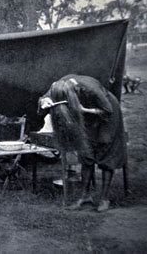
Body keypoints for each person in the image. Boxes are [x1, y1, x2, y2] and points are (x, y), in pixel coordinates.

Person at [38, 74, 127, 212]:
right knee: (86, 153)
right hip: (87, 116)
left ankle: (104, 198)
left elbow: (107, 110)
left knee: (106, 151)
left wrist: (83, 110)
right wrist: (44, 101)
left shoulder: (91, 89)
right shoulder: (58, 87)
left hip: (107, 114)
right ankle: (85, 197)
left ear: (76, 91)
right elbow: (44, 98)